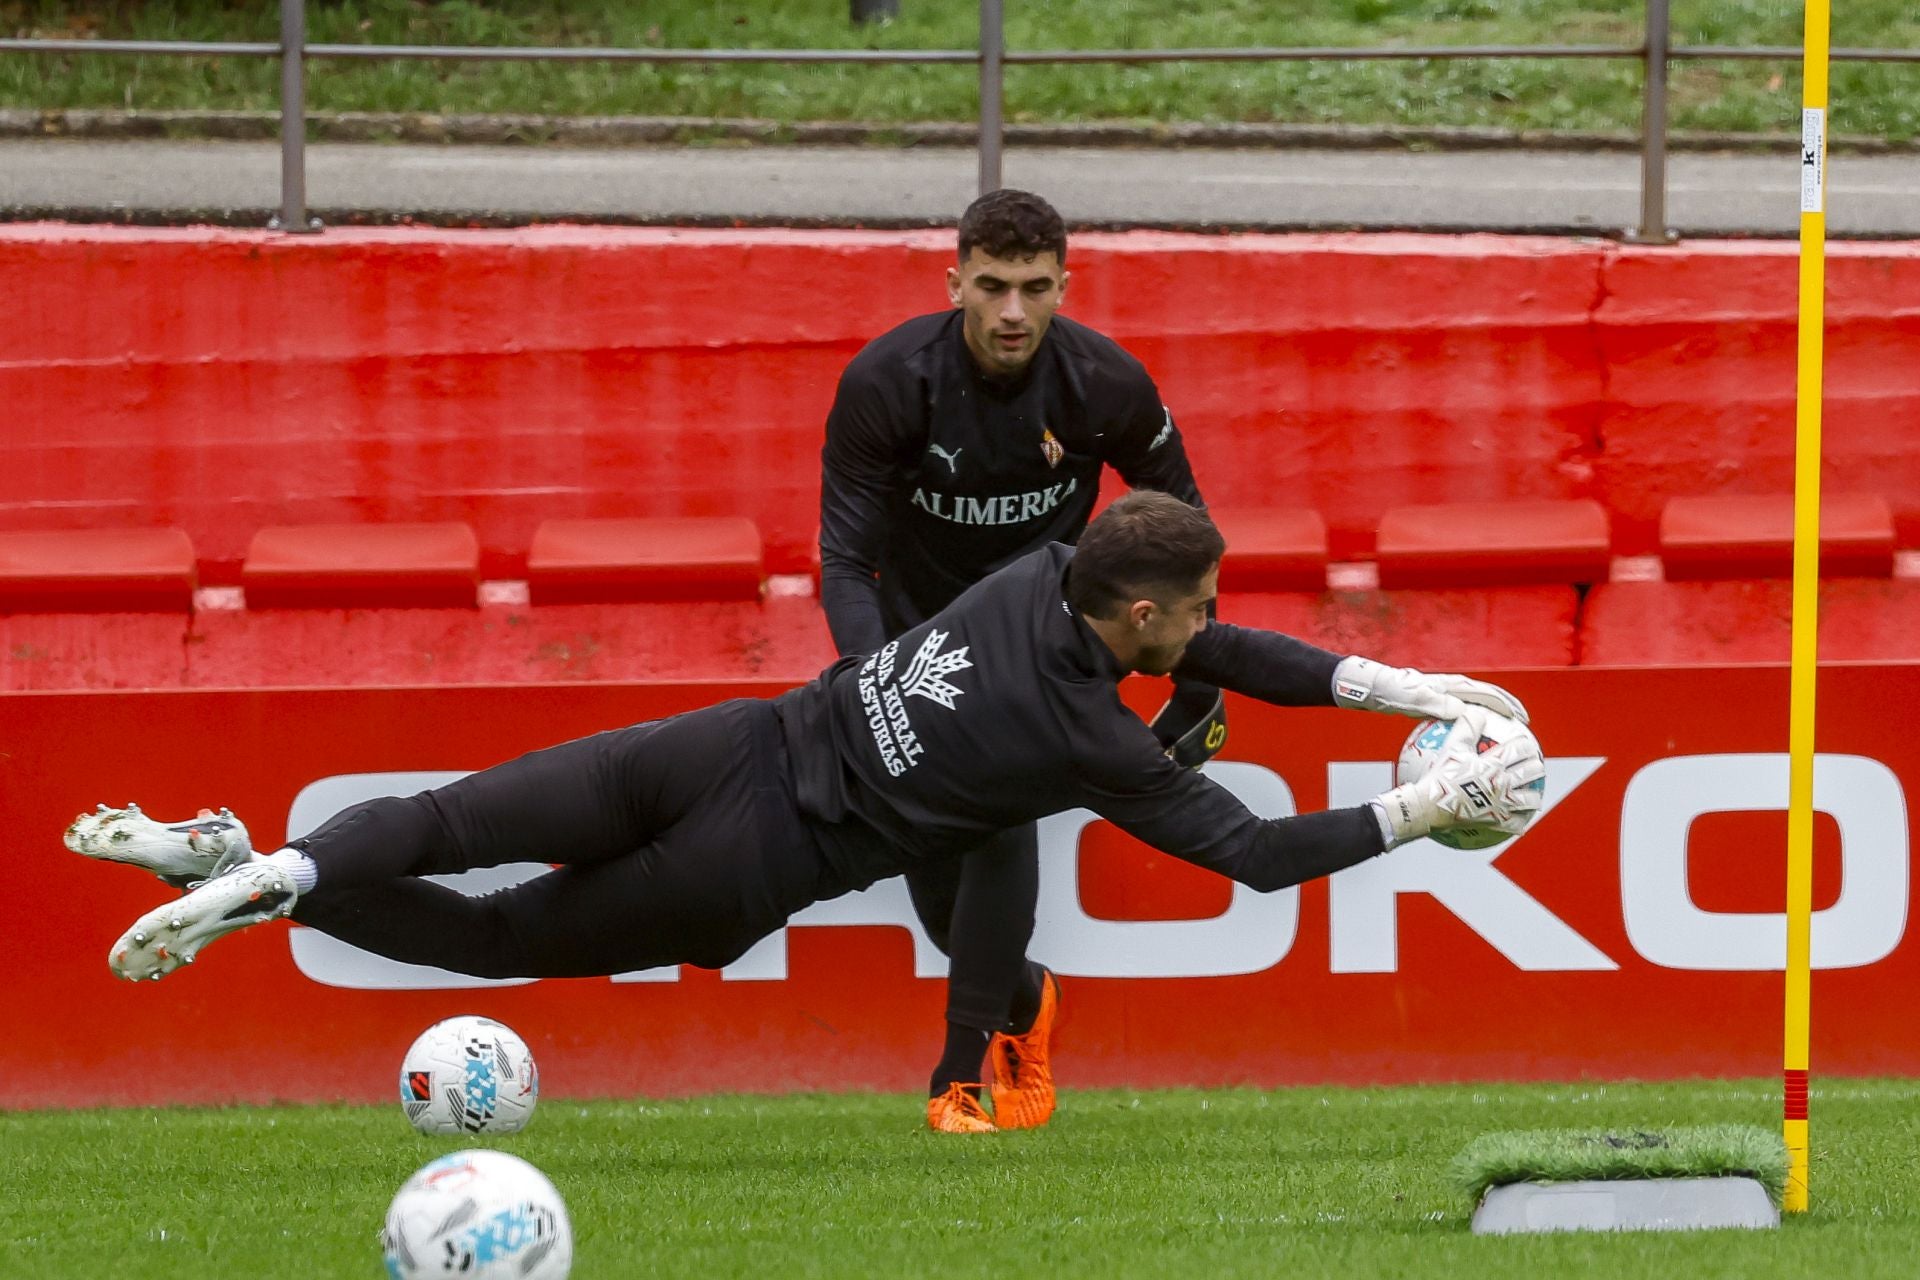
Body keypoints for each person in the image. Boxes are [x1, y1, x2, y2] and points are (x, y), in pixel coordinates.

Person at [68, 493, 1542, 1136]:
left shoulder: (1044, 568)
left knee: (448, 818)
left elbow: (1222, 649)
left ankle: (261, 859)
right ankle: (269, 878)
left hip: (723, 742)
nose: (1212, 622)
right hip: (750, 860)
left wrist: (1399, 685)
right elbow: (1260, 858)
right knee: (491, 936)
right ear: (1141, 614)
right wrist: (1428, 803)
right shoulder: (1087, 737)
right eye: (1196, 605)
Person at [819, 188, 1231, 1132]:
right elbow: (846, 559)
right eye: (993, 286)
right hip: (918, 648)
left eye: (1035, 288)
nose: (1013, 311)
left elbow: (1189, 532)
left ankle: (958, 1084)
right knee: (941, 906)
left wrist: (1198, 672)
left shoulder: (1106, 383)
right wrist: (869, 680)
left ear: (1064, 287)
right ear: (954, 281)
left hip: (1048, 640)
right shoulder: (887, 383)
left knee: (999, 811)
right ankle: (1025, 1001)